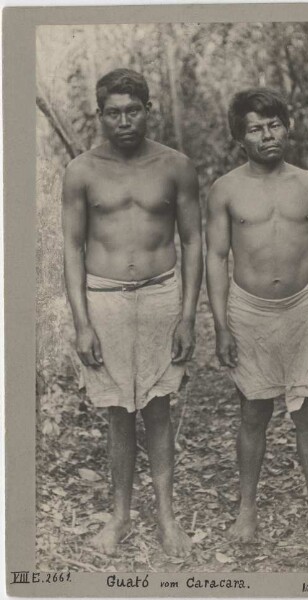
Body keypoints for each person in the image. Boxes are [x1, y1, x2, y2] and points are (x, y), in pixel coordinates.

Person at [206, 88, 308, 547]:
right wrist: (221, 324)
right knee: (254, 412)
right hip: (250, 311)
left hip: (303, 309)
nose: (267, 135)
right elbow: (215, 256)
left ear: (286, 127)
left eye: (274, 125)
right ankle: (246, 513)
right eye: (255, 128)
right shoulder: (226, 189)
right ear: (240, 137)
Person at [62, 69, 203, 557]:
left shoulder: (175, 166)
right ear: (100, 115)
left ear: (148, 109)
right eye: (114, 113)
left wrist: (188, 315)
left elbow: (192, 240)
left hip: (161, 294)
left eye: (133, 110)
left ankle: (166, 518)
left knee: (158, 411)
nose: (124, 121)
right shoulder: (82, 170)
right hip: (104, 299)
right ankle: (119, 517)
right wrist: (82, 323)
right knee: (119, 414)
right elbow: (73, 247)